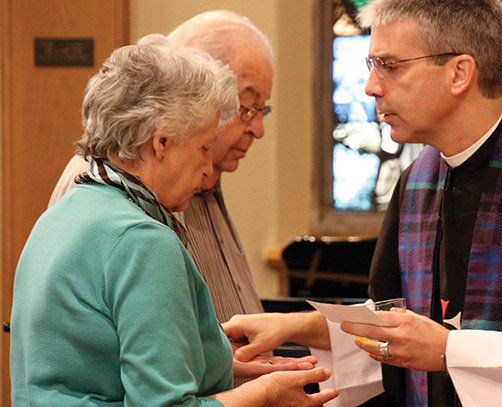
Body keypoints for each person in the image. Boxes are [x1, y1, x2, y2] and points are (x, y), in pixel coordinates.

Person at [222, 0, 502, 407]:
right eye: (371, 65)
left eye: (390, 65)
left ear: (459, 73)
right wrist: (297, 326)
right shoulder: (418, 181)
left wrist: (448, 352)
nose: (370, 87)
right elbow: (403, 324)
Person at [10, 34, 338, 406]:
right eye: (202, 147)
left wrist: (208, 356)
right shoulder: (142, 239)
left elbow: (86, 367)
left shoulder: (61, 215)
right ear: (161, 142)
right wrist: (262, 396)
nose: (207, 167)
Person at [48, 10, 272, 325]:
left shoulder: (200, 171)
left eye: (264, 109)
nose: (259, 129)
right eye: (248, 108)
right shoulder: (99, 183)